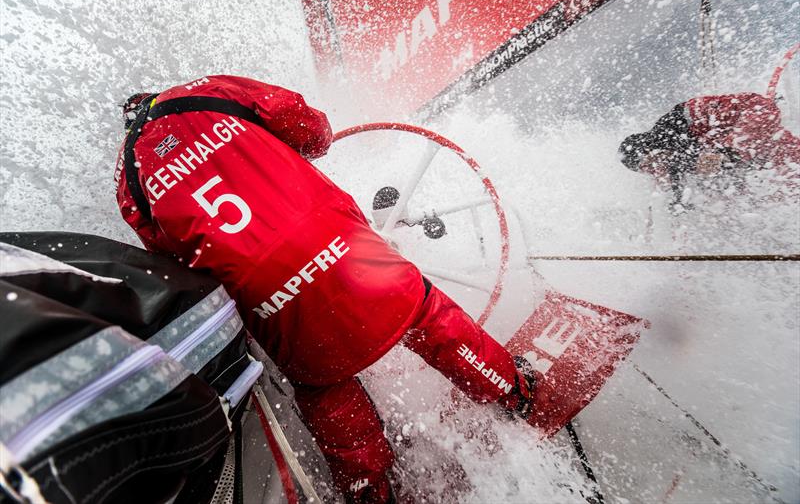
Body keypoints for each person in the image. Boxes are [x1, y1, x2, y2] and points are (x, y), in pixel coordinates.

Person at [114, 75, 538, 503]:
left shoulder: (128, 180)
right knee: (423, 313)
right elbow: (308, 128)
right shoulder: (202, 93)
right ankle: (512, 391)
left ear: (129, 123)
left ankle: (371, 493)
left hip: (267, 297)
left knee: (324, 387)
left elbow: (173, 265)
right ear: (153, 96)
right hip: (336, 245)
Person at [619, 92, 800, 211]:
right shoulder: (671, 144)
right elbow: (686, 167)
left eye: (649, 164)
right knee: (792, 164)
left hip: (754, 115)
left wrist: (678, 200)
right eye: (648, 170)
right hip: (756, 125)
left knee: (723, 164)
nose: (655, 169)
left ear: (648, 149)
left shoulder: (666, 133)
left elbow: (685, 165)